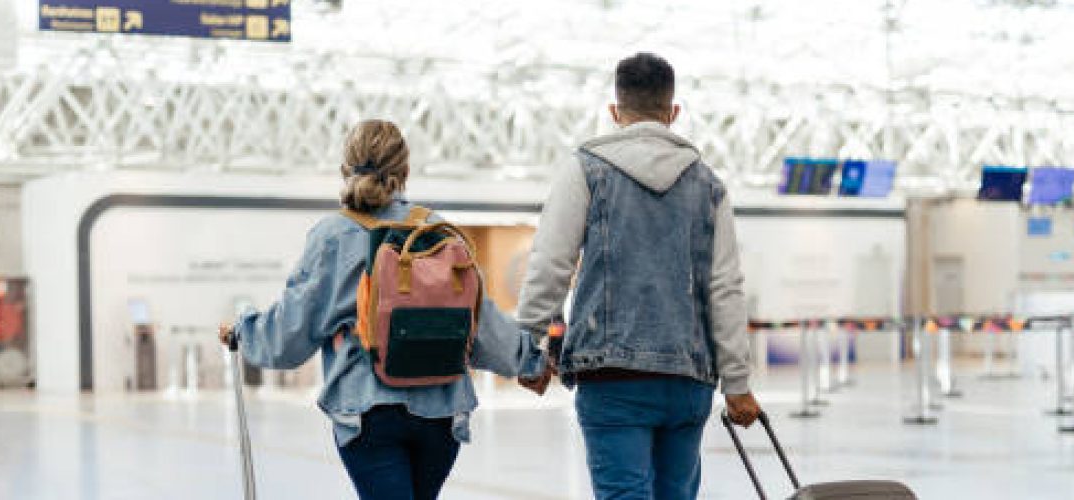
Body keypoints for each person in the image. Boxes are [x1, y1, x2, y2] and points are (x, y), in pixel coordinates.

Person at [217, 120, 548, 500]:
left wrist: (244, 331)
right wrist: (529, 362)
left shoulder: (333, 236)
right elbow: (478, 317)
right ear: (404, 173)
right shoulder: (435, 230)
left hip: (369, 411)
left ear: (345, 170)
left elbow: (293, 328)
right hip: (442, 412)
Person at [515, 52, 762, 500]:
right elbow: (725, 288)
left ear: (615, 111)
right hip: (689, 379)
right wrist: (738, 384)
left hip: (612, 376)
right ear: (673, 112)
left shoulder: (585, 169)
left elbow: (551, 263)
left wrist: (526, 345)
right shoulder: (709, 184)